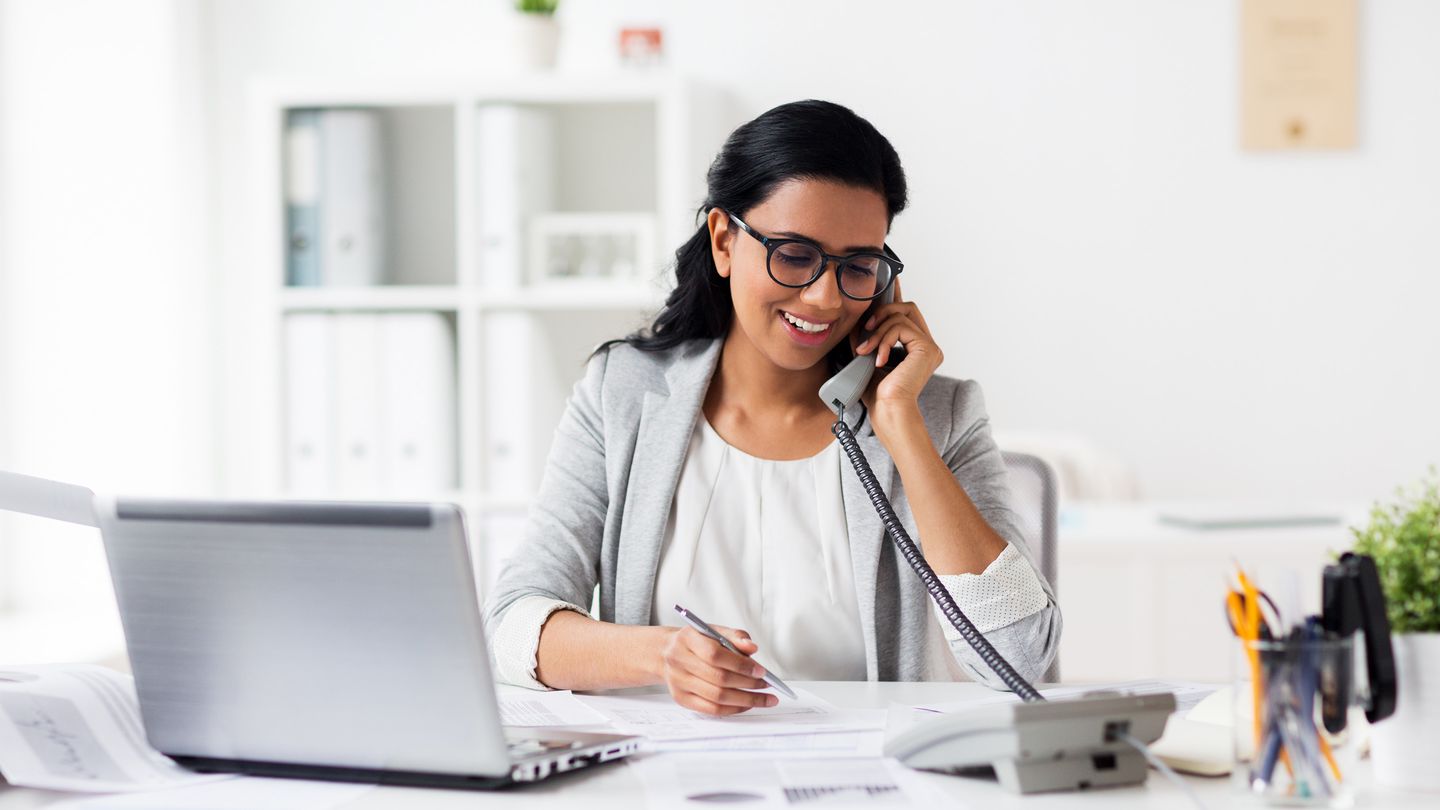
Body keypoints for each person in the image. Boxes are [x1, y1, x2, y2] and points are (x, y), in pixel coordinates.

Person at [484, 100, 1060, 716]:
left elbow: (1023, 657)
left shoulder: (937, 412)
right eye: (793, 255)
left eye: (858, 266)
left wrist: (900, 426)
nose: (823, 297)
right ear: (724, 241)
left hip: (872, 779)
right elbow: (514, 627)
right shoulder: (623, 395)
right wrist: (661, 656)